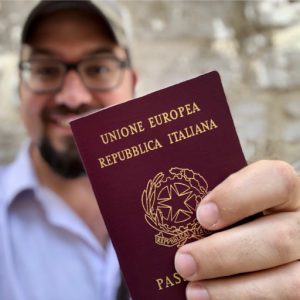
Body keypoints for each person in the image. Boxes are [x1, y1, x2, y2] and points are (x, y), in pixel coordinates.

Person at [0, 1, 299, 300]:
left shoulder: (212, 192)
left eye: (99, 68)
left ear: (132, 83)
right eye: (46, 70)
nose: (72, 96)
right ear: (21, 89)